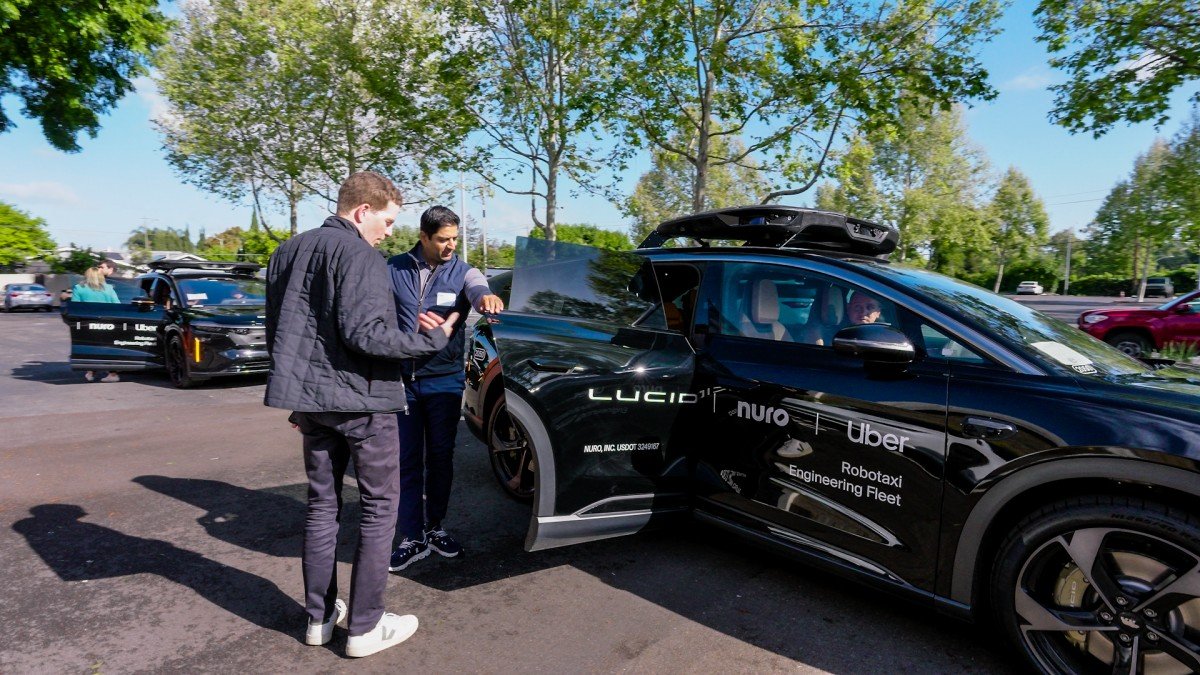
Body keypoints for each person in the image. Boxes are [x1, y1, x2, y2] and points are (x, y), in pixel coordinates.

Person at [264, 171, 460, 658]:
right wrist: (430, 340)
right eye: (388, 220)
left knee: (322, 505)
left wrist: (299, 395)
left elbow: (283, 331)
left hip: (312, 403)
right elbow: (366, 336)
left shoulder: (286, 252)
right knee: (378, 509)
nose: (390, 232)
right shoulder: (360, 254)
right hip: (363, 402)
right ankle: (366, 627)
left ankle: (319, 617)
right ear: (361, 211)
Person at [386, 206, 504, 572]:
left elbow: (478, 288)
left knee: (440, 458)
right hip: (401, 381)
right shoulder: (391, 268)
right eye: (443, 239)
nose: (451, 245)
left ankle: (435, 527)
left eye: (455, 238)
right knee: (406, 461)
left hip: (444, 382)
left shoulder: (464, 270)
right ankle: (410, 536)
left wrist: (487, 299)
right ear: (423, 237)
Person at [71, 266, 121, 382]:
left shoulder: (79, 288)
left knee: (90, 347)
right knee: (109, 348)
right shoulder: (108, 288)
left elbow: (75, 307)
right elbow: (117, 305)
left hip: (87, 323)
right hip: (108, 323)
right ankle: (113, 374)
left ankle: (90, 372)